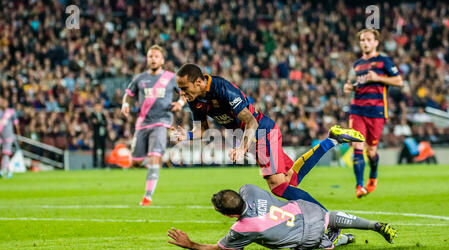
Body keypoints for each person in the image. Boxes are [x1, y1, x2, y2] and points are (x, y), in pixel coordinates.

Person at [173, 63, 365, 202]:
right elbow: (203, 129)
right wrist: (187, 136)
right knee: (290, 179)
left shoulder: (222, 88)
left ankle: (326, 221)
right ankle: (331, 140)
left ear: (198, 82)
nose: (182, 94)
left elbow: (250, 122)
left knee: (279, 186)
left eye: (184, 88)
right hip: (251, 140)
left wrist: (241, 148)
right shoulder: (194, 98)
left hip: (261, 131)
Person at [167, 184, 398, 250]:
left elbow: (218, 249)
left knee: (320, 241)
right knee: (329, 217)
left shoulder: (242, 228)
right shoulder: (250, 190)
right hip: (308, 212)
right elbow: (241, 192)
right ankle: (372, 225)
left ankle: (341, 239)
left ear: (228, 215)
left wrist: (191, 244)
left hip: (306, 239)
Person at [121, 45, 185, 206]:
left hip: (161, 122)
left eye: (156, 56)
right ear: (147, 59)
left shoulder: (171, 77)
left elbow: (184, 92)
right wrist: (125, 105)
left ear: (162, 60)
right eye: (150, 56)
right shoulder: (140, 79)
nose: (153, 59)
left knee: (154, 157)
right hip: (142, 124)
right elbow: (128, 95)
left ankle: (147, 197)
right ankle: (154, 166)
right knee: (135, 162)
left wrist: (180, 103)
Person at [344, 29, 403, 198]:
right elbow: (353, 84)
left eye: (369, 39)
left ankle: (373, 175)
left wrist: (378, 78)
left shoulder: (384, 61)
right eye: (362, 40)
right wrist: (349, 87)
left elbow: (399, 81)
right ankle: (359, 186)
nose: (365, 42)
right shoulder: (357, 65)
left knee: (371, 152)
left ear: (376, 42)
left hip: (376, 111)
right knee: (357, 147)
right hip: (357, 110)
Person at [0, 96, 21, 179]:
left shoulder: (11, 112)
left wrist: (18, 135)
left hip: (8, 136)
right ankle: (9, 171)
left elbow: (16, 124)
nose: (3, 103)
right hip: (1, 136)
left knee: (5, 153)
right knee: (4, 154)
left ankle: (2, 171)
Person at [90, 100, 108, 168]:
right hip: (96, 135)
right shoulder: (93, 115)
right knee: (95, 149)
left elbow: (105, 123)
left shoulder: (102, 115)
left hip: (102, 135)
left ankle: (103, 164)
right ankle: (95, 164)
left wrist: (99, 122)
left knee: (103, 149)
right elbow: (95, 123)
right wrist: (100, 123)